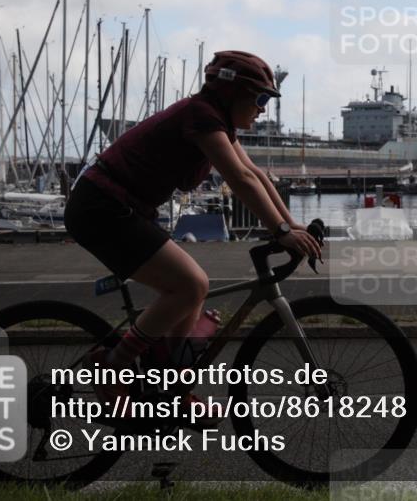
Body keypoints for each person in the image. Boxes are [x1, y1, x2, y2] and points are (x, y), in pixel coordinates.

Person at [64, 50, 322, 406]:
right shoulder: (201, 116)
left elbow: (257, 175)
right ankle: (112, 366)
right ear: (233, 93)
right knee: (190, 285)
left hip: (122, 208)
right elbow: (241, 178)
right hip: (101, 207)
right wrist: (280, 231)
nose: (263, 108)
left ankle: (168, 388)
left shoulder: (217, 120)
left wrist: (293, 225)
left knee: (192, 294)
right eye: (260, 98)